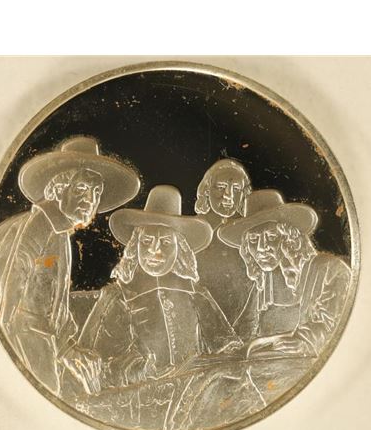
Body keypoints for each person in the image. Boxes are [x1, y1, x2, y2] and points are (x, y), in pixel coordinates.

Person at [0, 135, 140, 393]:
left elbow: (52, 303)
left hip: (39, 345)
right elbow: (11, 291)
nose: (90, 199)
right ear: (58, 189)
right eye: (80, 189)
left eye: (96, 192)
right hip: (25, 346)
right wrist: (1, 350)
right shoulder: (39, 225)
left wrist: (68, 347)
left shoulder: (59, 233)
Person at [67, 185, 242, 392]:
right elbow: (95, 366)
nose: (155, 251)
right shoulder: (118, 296)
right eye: (147, 241)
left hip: (193, 394)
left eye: (165, 242)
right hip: (139, 399)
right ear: (135, 246)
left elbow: (226, 345)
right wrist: (139, 371)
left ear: (180, 249)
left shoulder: (196, 294)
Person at [218, 190, 352, 358]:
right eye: (253, 240)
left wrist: (306, 342)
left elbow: (337, 324)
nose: (261, 247)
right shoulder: (264, 283)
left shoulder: (331, 270)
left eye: (271, 236)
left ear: (289, 238)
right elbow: (245, 329)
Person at [194, 158, 252, 322]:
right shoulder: (191, 231)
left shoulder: (253, 235)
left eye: (236, 189)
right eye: (220, 187)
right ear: (206, 190)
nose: (228, 196)